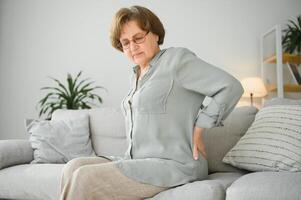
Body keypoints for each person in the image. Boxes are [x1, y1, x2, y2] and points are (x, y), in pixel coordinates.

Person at [60, 5, 244, 200]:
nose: (132, 47)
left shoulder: (176, 60)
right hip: (139, 162)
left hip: (174, 164)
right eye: (125, 43)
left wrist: (200, 126)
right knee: (73, 166)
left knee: (85, 177)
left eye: (138, 38)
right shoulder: (137, 75)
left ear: (155, 34)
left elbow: (230, 86)